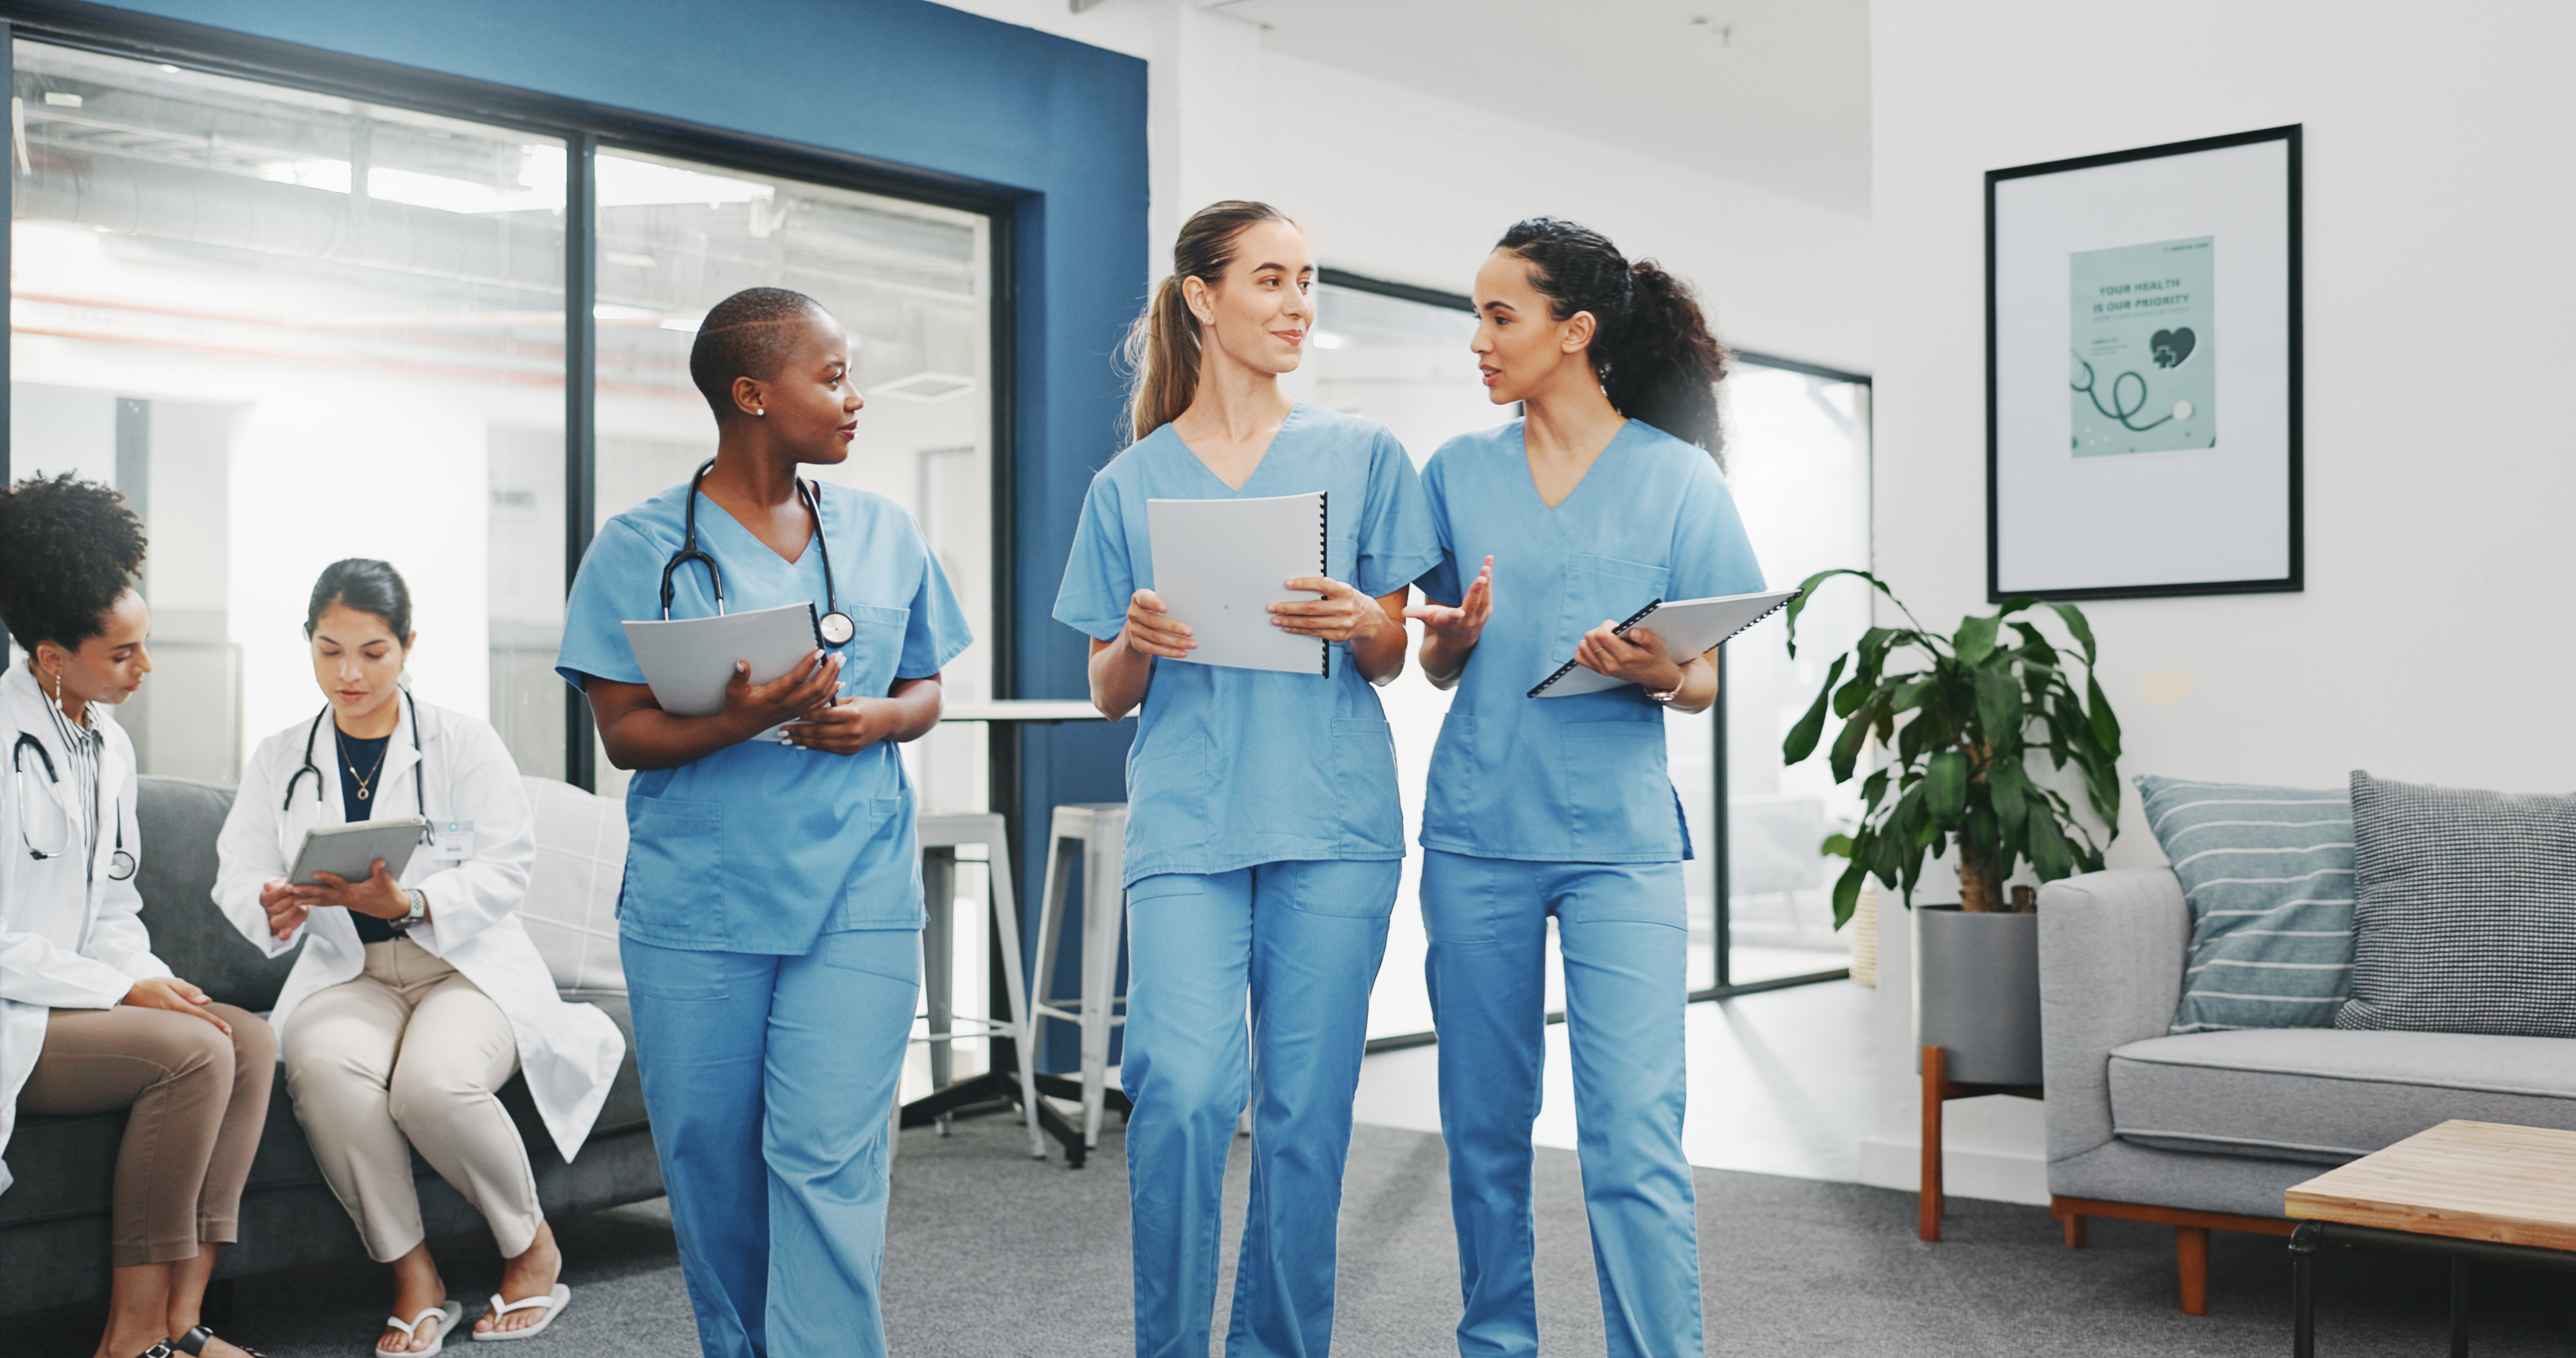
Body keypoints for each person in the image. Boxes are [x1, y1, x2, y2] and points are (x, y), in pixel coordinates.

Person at [1053, 200, 1440, 1358]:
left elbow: (1391, 658)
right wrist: (1135, 639)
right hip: (1188, 817)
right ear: (1203, 298)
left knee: (1305, 1117)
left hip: (1330, 816)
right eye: (1270, 280)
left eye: (1307, 281)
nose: (1297, 305)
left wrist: (1363, 615)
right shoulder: (1129, 483)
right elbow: (1106, 691)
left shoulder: (1363, 454)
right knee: (1176, 1094)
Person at [555, 286, 969, 1358]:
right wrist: (739, 720)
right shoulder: (640, 548)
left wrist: (878, 717)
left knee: (829, 1160)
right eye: (831, 376)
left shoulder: (883, 531)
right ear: (751, 396)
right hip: (701, 907)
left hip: (858, 901)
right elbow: (624, 734)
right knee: (712, 1167)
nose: (855, 397)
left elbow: (924, 687)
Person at [1405, 218, 1762, 1358]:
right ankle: (1494, 1345)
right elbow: (1436, 657)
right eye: (1477, 314)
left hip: (1621, 848)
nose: (1478, 339)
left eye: (1499, 315)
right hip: (1476, 835)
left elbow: (1702, 680)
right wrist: (1452, 639)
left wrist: (1662, 668)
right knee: (1483, 1130)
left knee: (1633, 1135)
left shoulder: (1678, 479)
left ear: (1576, 331)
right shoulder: (1455, 474)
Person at [213, 559, 625, 1353]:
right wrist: (269, 900)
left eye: (372, 651)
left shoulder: (462, 743)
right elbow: (239, 868)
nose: (349, 672)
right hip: (350, 973)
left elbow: (507, 866)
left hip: (461, 967)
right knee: (324, 1069)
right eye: (329, 650)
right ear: (307, 645)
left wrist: (412, 905)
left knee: (432, 1087)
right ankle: (414, 1275)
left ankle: (531, 1245)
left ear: (407, 647)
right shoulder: (279, 757)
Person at [0, 473, 274, 1358]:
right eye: (122, 654)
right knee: (194, 1053)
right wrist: (121, 987)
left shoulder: (106, 746)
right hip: (16, 1012)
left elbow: (114, 900)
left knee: (249, 1039)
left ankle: (182, 1326)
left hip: (76, 1000)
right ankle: (129, 1340)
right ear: (50, 656)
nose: (144, 669)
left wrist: (145, 977)